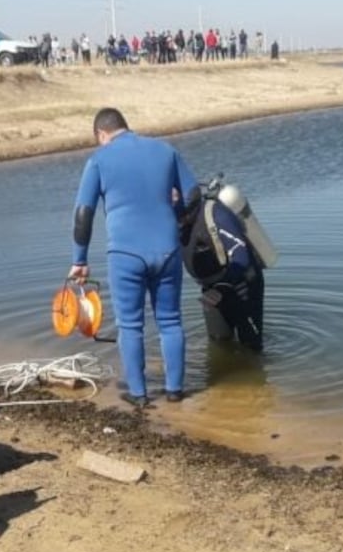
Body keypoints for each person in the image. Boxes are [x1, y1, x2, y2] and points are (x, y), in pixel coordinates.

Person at [68, 108, 198, 408]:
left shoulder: (99, 160)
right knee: (170, 321)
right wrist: (177, 218)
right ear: (124, 126)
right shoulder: (165, 150)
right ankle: (175, 391)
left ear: (101, 134)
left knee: (130, 325)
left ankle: (139, 395)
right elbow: (193, 195)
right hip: (168, 250)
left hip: (125, 254)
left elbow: (83, 213)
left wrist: (80, 260)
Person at [177, 183, 265, 352]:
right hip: (211, 291)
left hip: (243, 285)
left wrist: (221, 288)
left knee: (251, 346)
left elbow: (241, 256)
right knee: (219, 344)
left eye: (182, 215)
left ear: (191, 208)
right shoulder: (173, 222)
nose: (179, 221)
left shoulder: (217, 215)